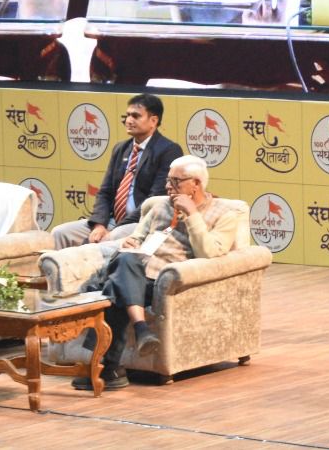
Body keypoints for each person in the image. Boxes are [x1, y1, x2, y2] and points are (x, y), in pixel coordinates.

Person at [72, 154, 247, 391]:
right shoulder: (159, 206)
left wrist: (193, 215)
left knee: (115, 286)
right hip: (137, 270)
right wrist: (131, 242)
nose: (168, 187)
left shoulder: (224, 214)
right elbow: (138, 236)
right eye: (167, 180)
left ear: (195, 184)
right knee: (125, 263)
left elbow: (208, 253)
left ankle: (110, 367)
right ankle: (138, 332)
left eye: (176, 181)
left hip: (165, 280)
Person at [50, 93, 183, 251]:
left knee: (111, 237)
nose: (129, 120)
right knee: (60, 232)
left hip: (141, 222)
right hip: (111, 221)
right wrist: (99, 225)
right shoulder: (121, 149)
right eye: (127, 115)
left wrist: (113, 229)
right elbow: (105, 192)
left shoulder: (168, 150)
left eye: (135, 116)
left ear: (153, 121)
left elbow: (153, 200)